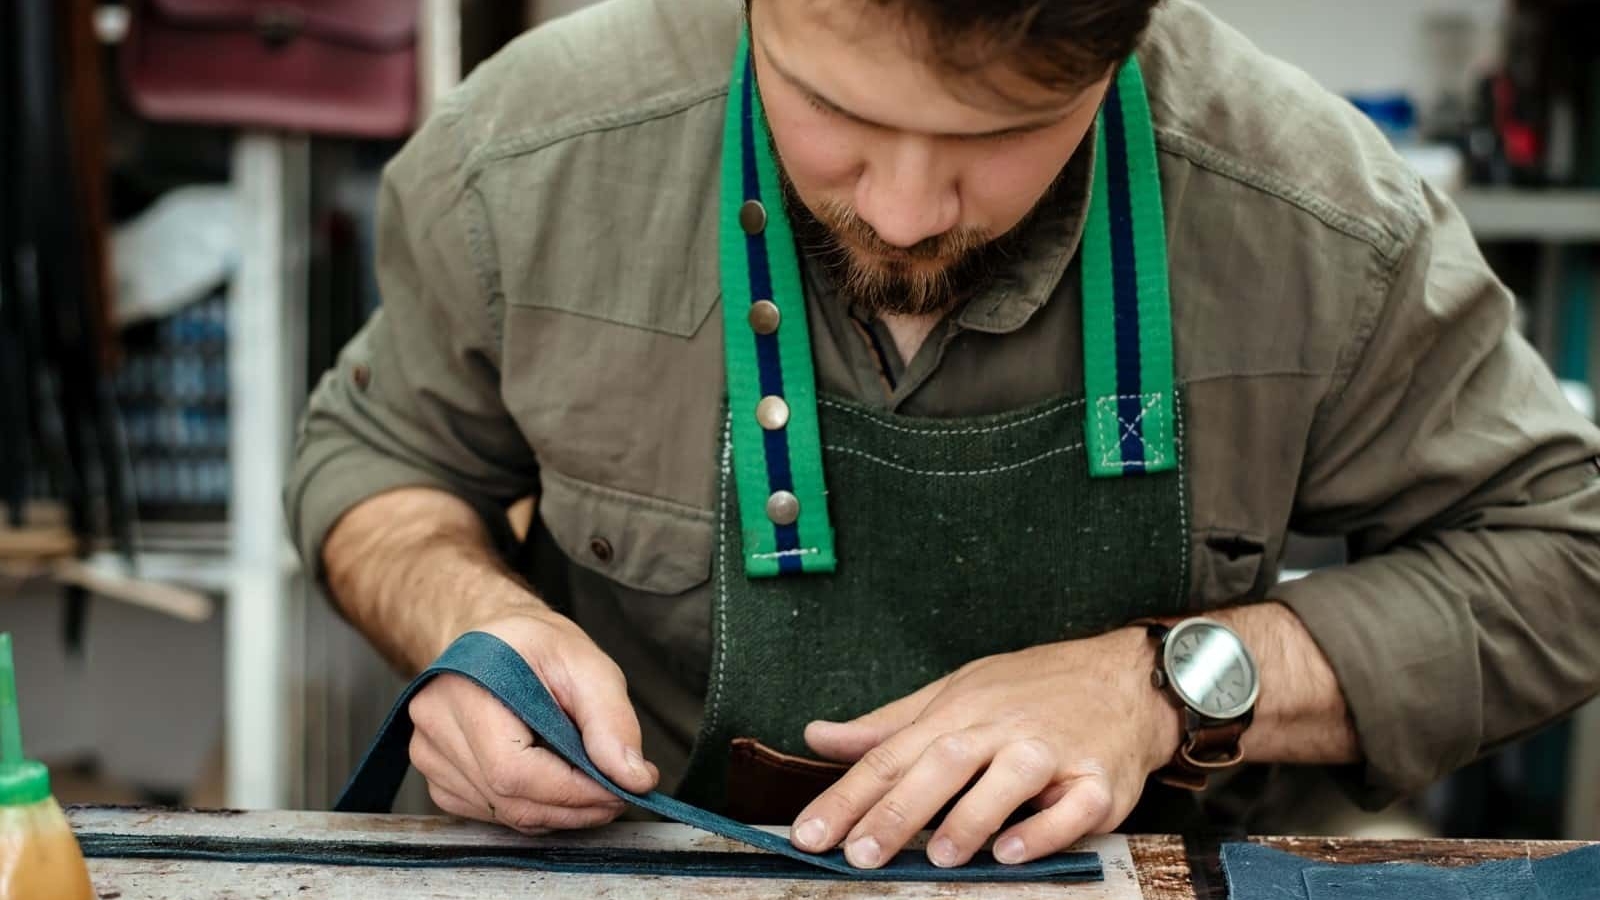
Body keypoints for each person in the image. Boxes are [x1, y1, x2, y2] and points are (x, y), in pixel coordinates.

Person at [285, 0, 1600, 871]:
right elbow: (376, 460)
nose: (908, 212)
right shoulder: (532, 158)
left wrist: (1166, 687)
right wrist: (468, 629)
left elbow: (1568, 553)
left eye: (1004, 135)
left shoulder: (1314, 219)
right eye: (839, 119)